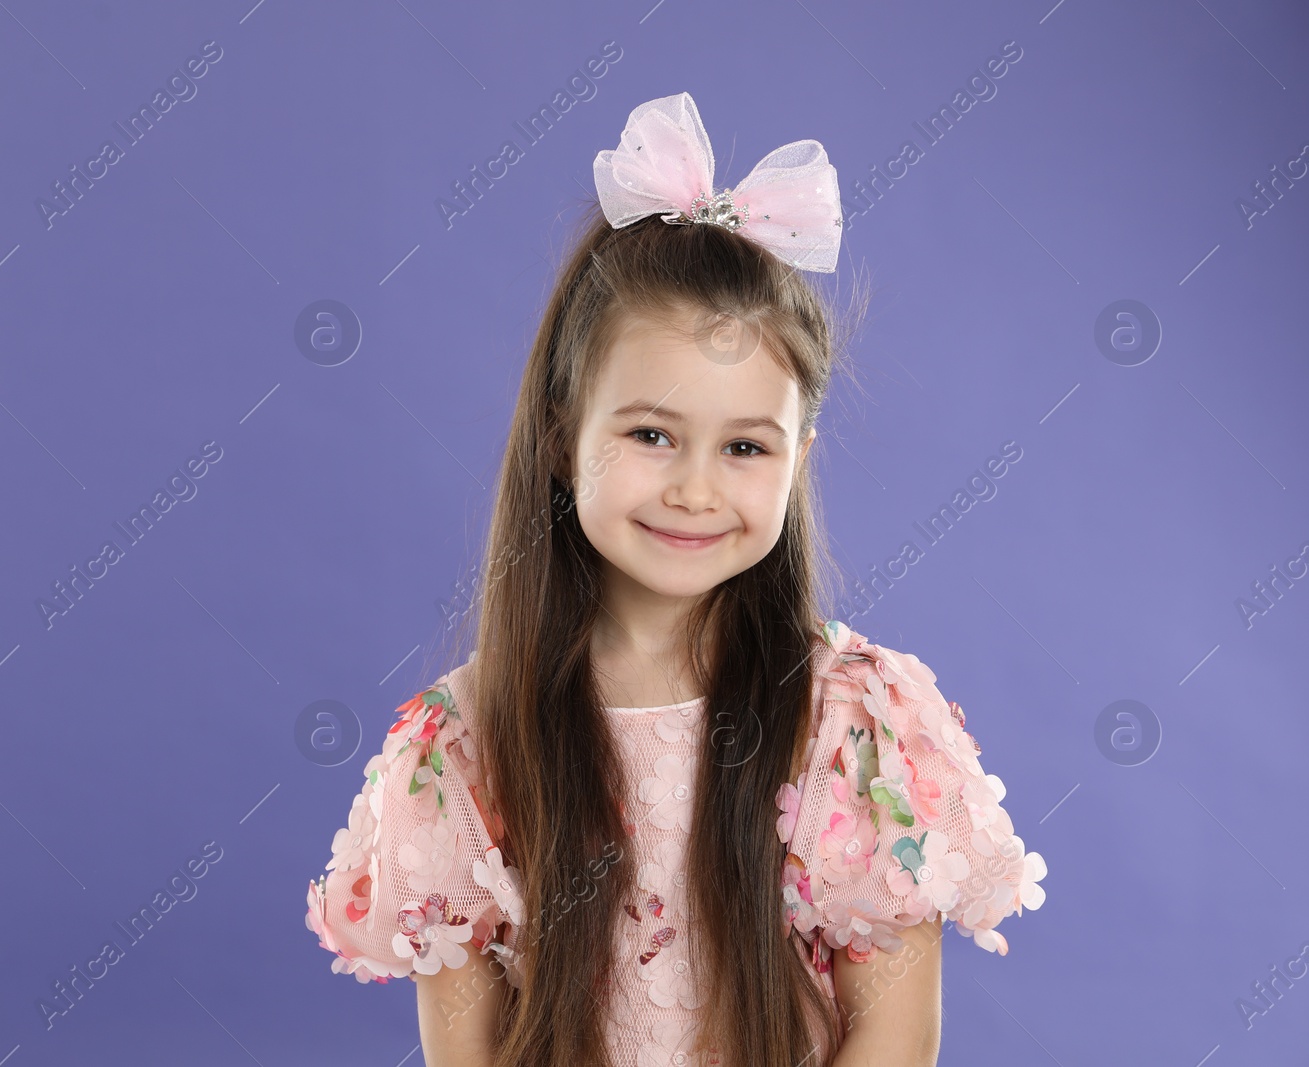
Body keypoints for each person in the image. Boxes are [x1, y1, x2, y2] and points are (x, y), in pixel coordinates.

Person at [304, 91, 1048, 1067]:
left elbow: (893, 1034)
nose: (695, 488)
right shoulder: (465, 743)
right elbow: (468, 1048)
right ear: (565, 437)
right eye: (652, 433)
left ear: (798, 457)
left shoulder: (852, 721)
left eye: (744, 445)